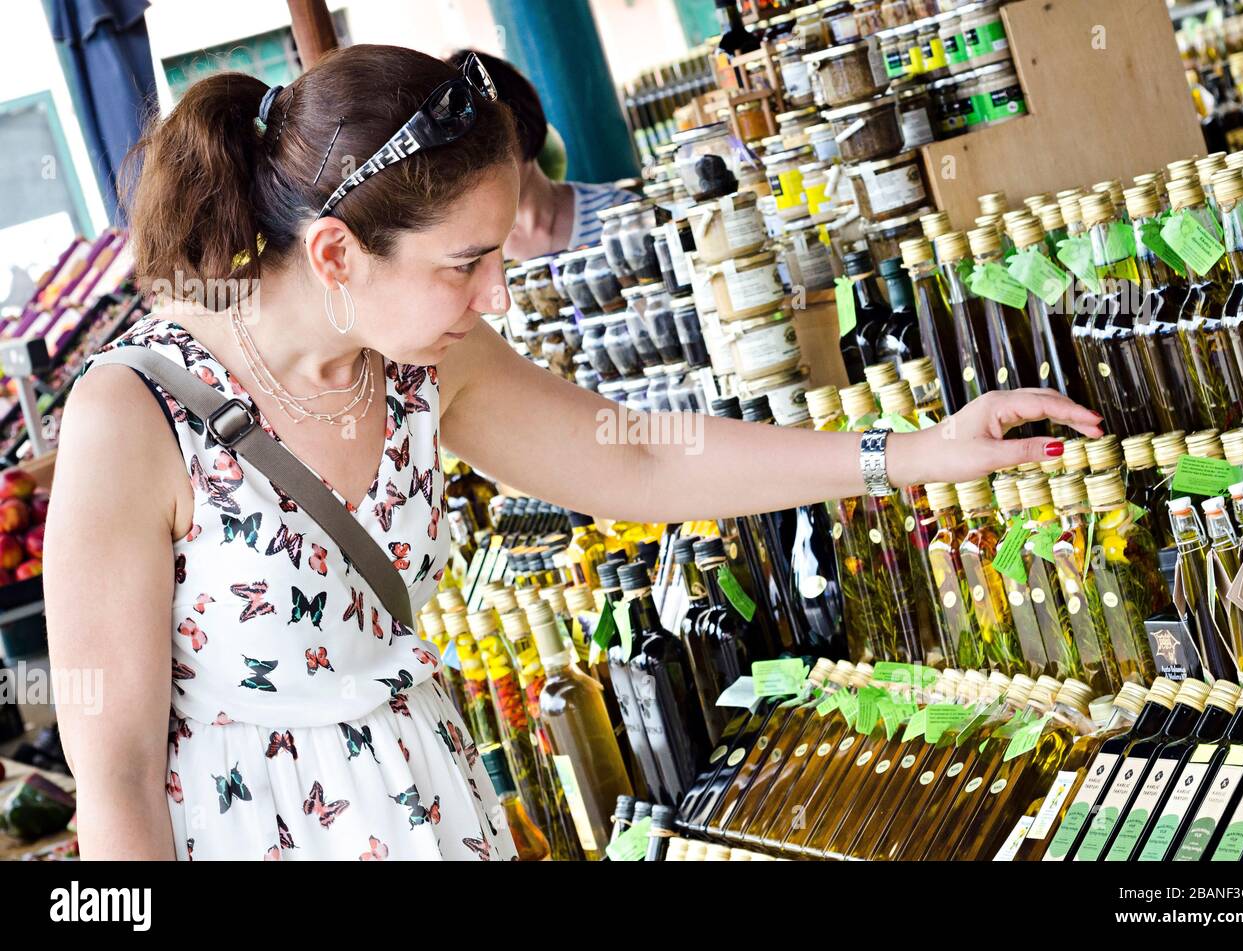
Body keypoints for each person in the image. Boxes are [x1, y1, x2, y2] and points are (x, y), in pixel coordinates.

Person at [44, 44, 1102, 862]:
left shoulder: (412, 360)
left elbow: (637, 459)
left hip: (431, 809)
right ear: (334, 252)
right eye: (467, 263)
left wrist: (908, 453)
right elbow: (118, 775)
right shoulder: (134, 415)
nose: (495, 295)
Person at [448, 49, 638, 260]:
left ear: (521, 125)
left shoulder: (619, 214)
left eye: (487, 143)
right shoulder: (469, 259)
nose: (478, 164)